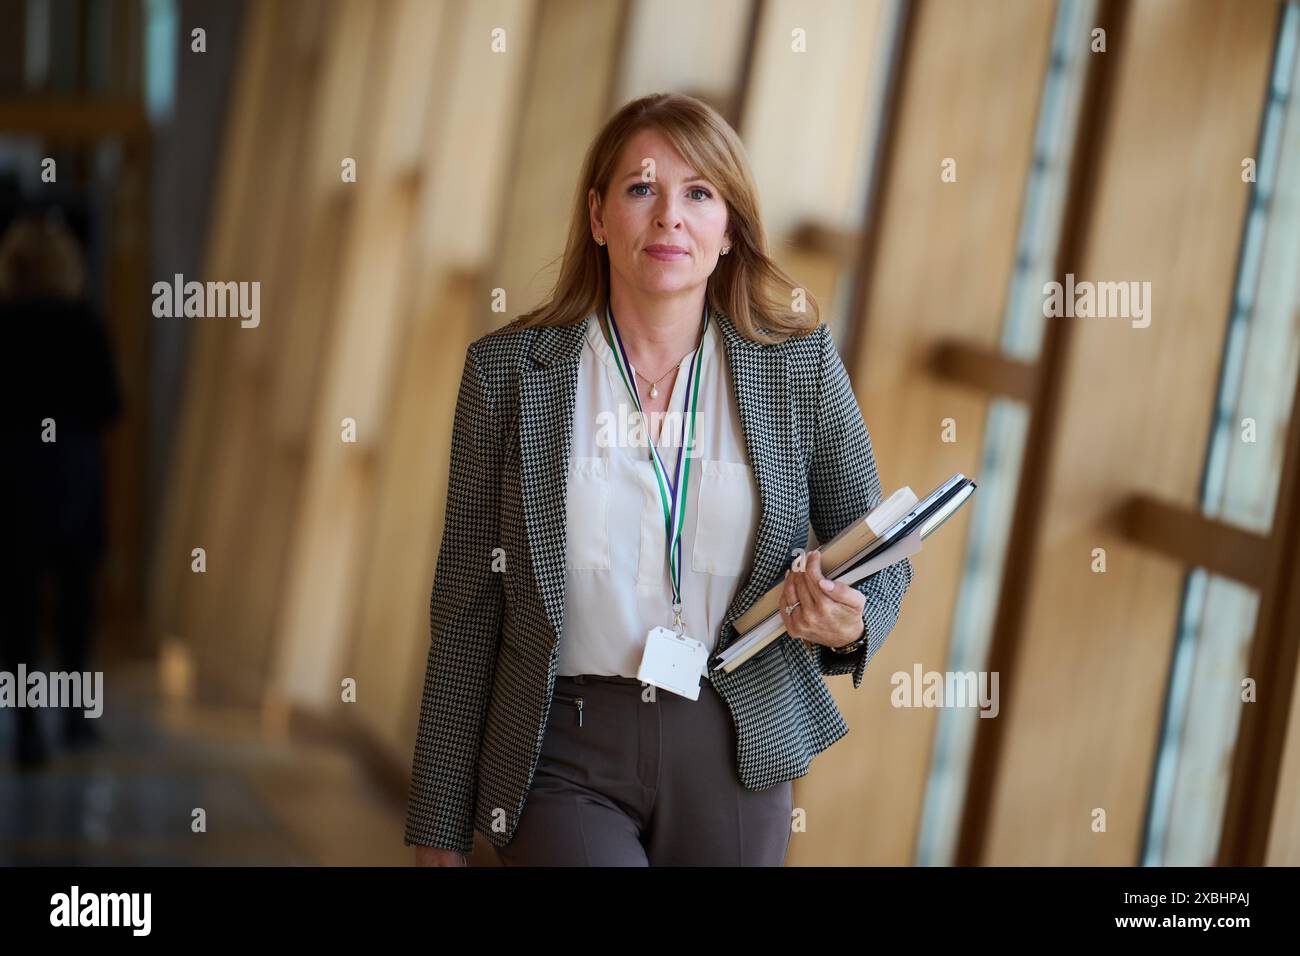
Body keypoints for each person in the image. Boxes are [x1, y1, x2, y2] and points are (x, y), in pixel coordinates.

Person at [406, 93, 913, 866]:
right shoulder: (509, 375)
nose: (670, 216)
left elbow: (885, 553)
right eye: (642, 188)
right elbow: (469, 600)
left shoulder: (798, 368)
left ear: (731, 230)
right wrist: (439, 820)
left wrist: (849, 623)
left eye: (699, 194)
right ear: (599, 216)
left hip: (736, 740)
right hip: (562, 747)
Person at [0, 209, 122, 768]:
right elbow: (110, 406)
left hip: (14, 476)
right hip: (73, 475)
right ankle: (74, 716)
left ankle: (27, 728)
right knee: (76, 605)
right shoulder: (84, 324)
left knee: (19, 612)